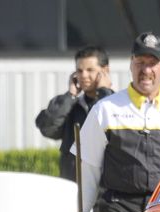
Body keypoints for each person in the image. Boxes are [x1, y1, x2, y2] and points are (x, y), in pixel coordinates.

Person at [74, 32, 160, 212]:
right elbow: (89, 172)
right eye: (140, 62)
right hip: (117, 211)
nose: (146, 70)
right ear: (131, 64)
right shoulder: (105, 109)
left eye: (152, 63)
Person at [35, 46, 113, 181]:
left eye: (90, 70)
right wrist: (70, 96)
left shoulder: (119, 105)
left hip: (106, 188)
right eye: (79, 71)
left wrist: (104, 93)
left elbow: (112, 129)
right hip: (73, 185)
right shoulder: (69, 105)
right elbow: (48, 129)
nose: (83, 76)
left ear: (105, 71)